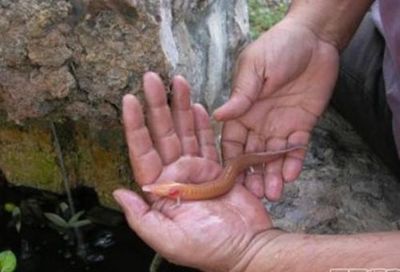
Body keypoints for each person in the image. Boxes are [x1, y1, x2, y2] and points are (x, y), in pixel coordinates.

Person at [113, 0, 400, 271]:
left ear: (172, 192)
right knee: (341, 56)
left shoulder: (177, 192)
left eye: (156, 190)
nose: (153, 190)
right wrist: (316, 31)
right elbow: (321, 31)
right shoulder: (177, 189)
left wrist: (253, 254)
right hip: (387, 67)